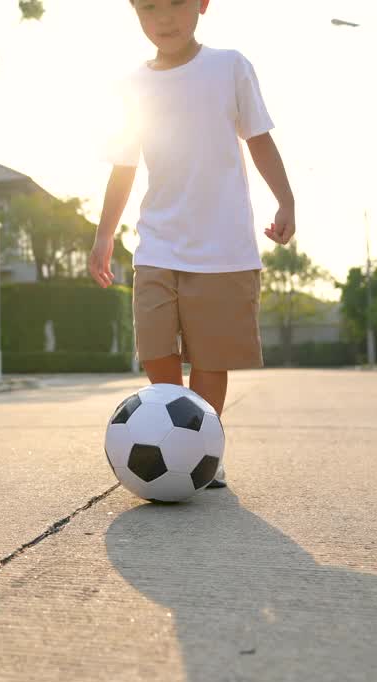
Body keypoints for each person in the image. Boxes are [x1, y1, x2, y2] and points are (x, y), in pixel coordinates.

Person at [89, 0, 296, 488]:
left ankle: (207, 450)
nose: (164, 17)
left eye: (177, 3)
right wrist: (104, 234)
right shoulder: (132, 86)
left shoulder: (229, 67)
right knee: (156, 349)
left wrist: (285, 200)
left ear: (203, 4)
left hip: (223, 248)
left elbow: (259, 138)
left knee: (210, 358)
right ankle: (176, 445)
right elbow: (124, 166)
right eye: (149, 7)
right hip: (158, 244)